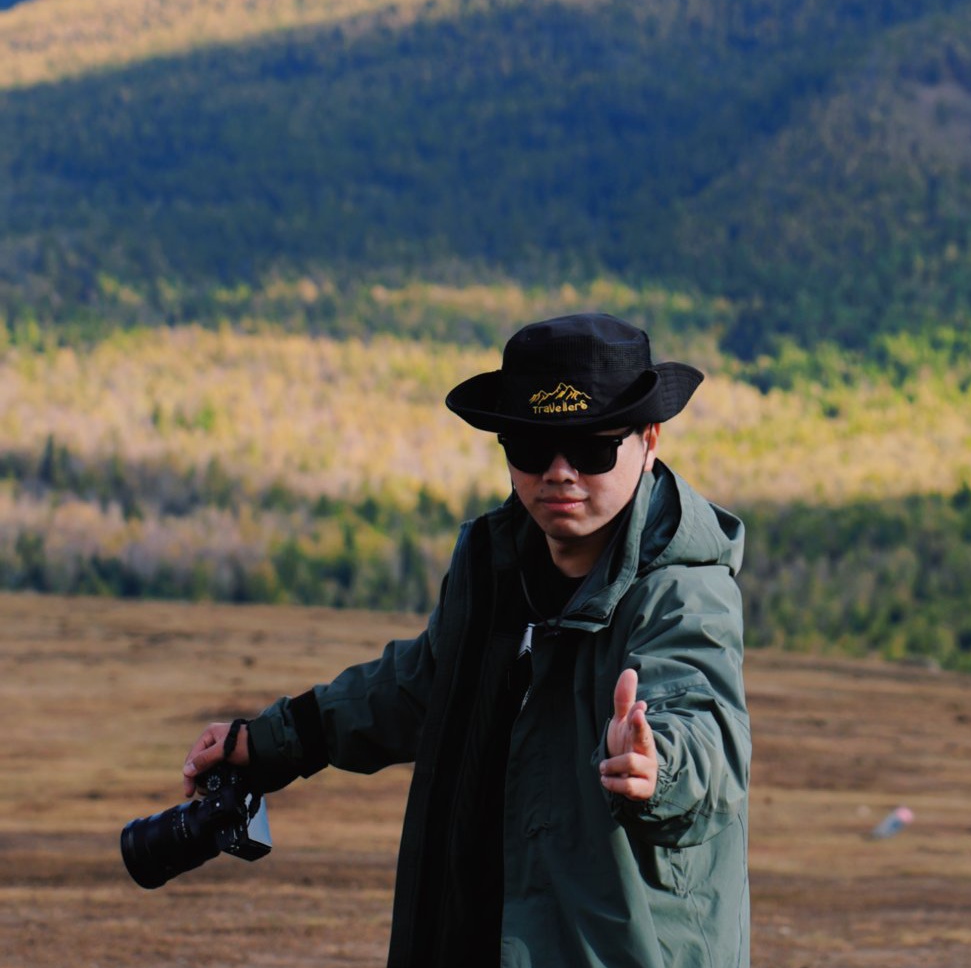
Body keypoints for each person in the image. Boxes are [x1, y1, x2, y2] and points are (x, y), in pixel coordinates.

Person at [182, 313, 751, 968]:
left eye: (593, 448)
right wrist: (272, 740)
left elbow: (698, 718)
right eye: (531, 447)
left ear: (648, 440)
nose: (560, 472)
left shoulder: (683, 589)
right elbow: (423, 684)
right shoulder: (492, 561)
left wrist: (656, 769)